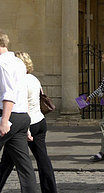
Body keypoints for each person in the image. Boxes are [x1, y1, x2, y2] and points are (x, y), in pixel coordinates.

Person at [0, 52, 57, 192]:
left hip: (25, 122)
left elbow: (19, 102)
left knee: (9, 163)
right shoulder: (34, 79)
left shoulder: (19, 81)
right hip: (39, 121)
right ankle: (50, 189)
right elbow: (41, 95)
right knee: (40, 159)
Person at [0, 32, 36, 192]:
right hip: (21, 116)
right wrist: (26, 124)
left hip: (8, 115)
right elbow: (22, 93)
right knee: (24, 166)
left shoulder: (2, 63)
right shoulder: (17, 62)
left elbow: (8, 94)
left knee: (23, 164)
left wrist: (4, 121)